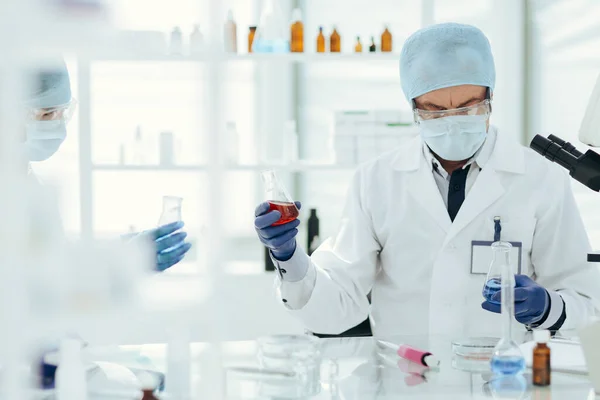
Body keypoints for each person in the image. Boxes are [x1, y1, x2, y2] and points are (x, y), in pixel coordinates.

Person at [253, 23, 600, 337]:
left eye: (467, 106)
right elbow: (336, 309)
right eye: (434, 110)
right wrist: (289, 256)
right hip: (405, 379)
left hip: (503, 380)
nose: (452, 121)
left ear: (491, 98)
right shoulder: (376, 181)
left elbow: (584, 299)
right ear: (413, 108)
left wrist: (547, 307)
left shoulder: (540, 179)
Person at [24, 61, 191, 271]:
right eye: (48, 114)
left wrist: (120, 250)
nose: (58, 124)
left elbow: (51, 253)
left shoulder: (23, 173)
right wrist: (116, 265)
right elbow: (26, 278)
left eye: (64, 112)